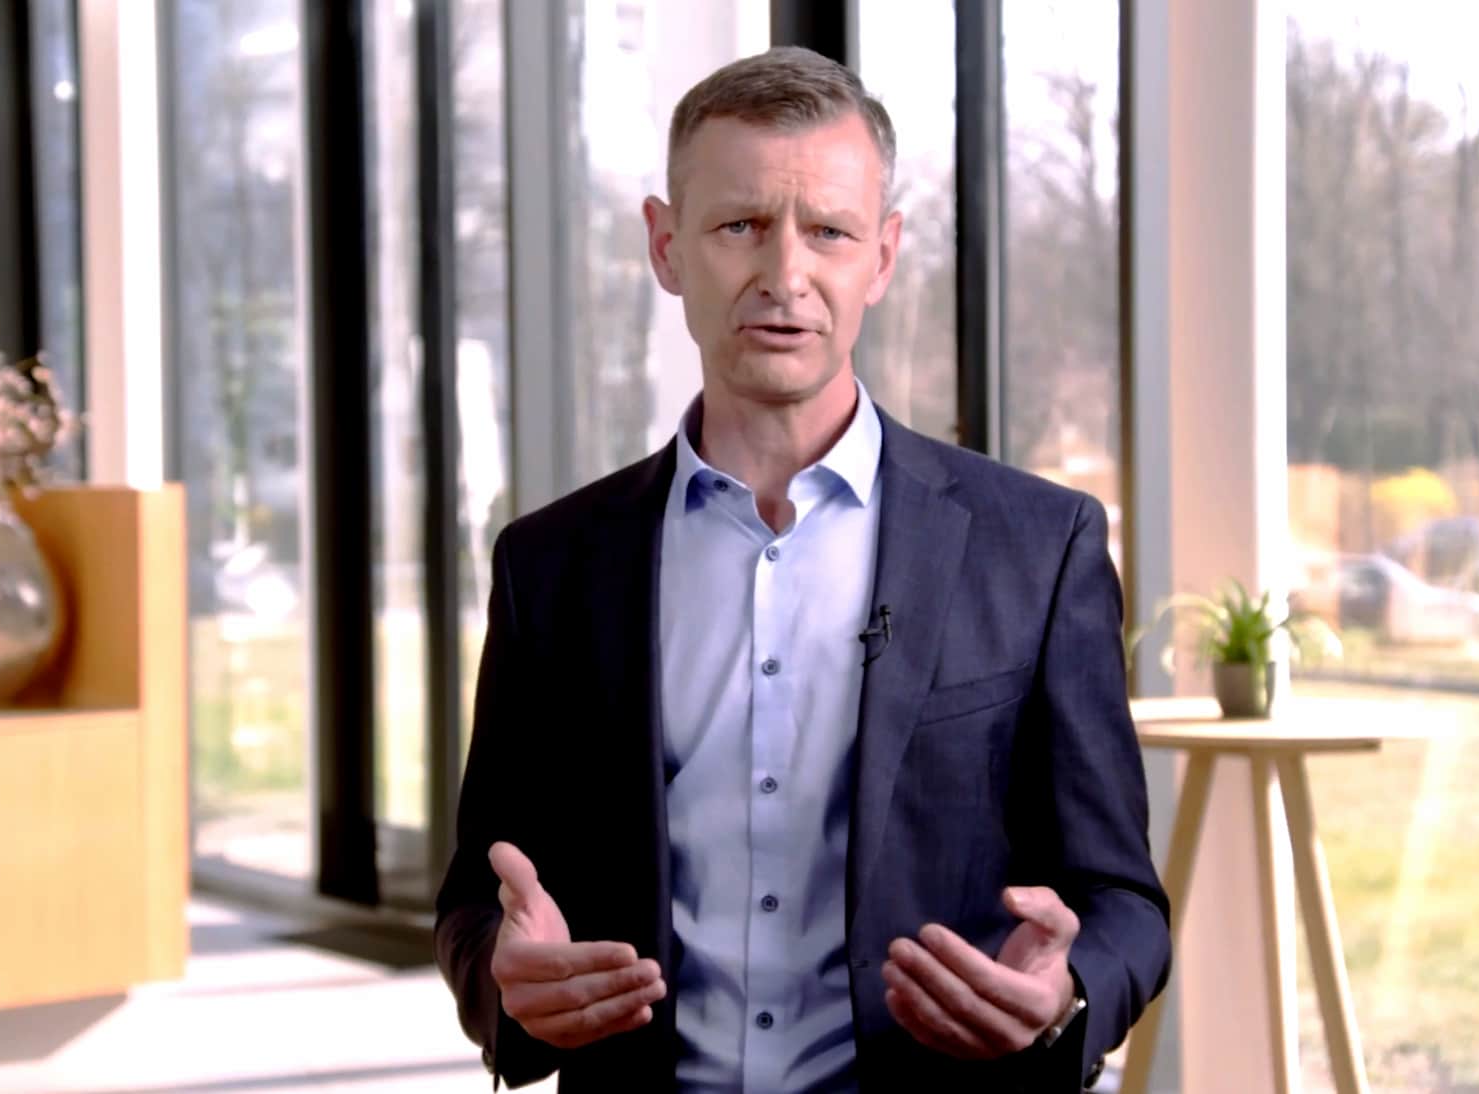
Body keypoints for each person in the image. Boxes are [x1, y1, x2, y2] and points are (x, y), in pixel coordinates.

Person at [435, 46, 1169, 1092]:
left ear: (882, 255)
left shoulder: (1040, 547)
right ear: (665, 246)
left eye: (827, 230)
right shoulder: (550, 565)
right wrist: (503, 981)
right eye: (739, 225)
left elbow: (1124, 903)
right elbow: (479, 898)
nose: (784, 275)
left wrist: (1067, 995)